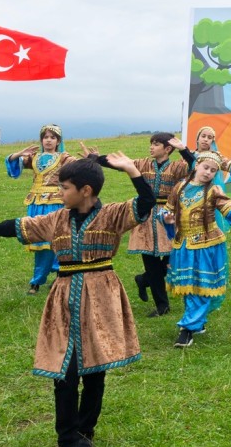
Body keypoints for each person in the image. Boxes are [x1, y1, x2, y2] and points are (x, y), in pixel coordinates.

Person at [0, 153, 154, 447]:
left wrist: (132, 170)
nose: (59, 193)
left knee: (95, 370)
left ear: (86, 190)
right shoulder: (56, 219)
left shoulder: (113, 216)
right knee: (65, 373)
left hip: (102, 297)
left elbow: (145, 203)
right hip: (64, 300)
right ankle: (66, 440)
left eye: (64, 187)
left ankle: (85, 431)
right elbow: (21, 226)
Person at [83, 134, 193, 318]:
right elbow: (120, 164)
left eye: (156, 144)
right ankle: (162, 305)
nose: (151, 147)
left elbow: (194, 167)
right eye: (151, 143)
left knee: (172, 259)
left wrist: (184, 150)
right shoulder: (143, 164)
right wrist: (96, 159)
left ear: (167, 149)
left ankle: (143, 280)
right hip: (146, 216)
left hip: (169, 216)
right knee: (150, 262)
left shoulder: (177, 166)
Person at [163, 152, 231, 348]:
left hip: (208, 246)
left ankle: (187, 329)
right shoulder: (179, 188)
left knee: (201, 285)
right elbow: (168, 210)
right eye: (205, 167)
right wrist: (166, 218)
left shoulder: (214, 190)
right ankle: (196, 322)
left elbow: (229, 211)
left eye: (213, 170)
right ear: (196, 166)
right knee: (188, 286)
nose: (208, 172)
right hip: (183, 245)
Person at [6, 124, 69, 293]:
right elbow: (12, 162)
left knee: (57, 240)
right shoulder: (34, 157)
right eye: (45, 137)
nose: (48, 140)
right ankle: (37, 280)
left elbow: (80, 167)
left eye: (52, 137)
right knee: (39, 239)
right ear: (42, 140)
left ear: (58, 141)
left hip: (56, 203)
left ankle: (59, 275)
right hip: (35, 204)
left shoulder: (63, 157)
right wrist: (20, 153)